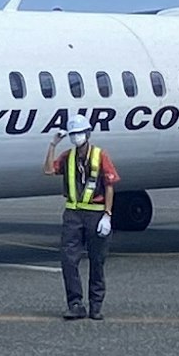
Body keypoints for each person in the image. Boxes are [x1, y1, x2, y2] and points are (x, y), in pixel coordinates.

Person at [46, 128, 118, 319]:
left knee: (97, 261)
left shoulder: (99, 155)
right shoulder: (67, 157)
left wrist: (107, 214)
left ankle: (96, 306)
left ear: (87, 134)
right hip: (73, 215)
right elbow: (48, 170)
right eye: (73, 133)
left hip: (95, 214)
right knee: (68, 260)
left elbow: (110, 185)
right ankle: (75, 304)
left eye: (79, 133)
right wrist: (53, 144)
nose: (75, 137)